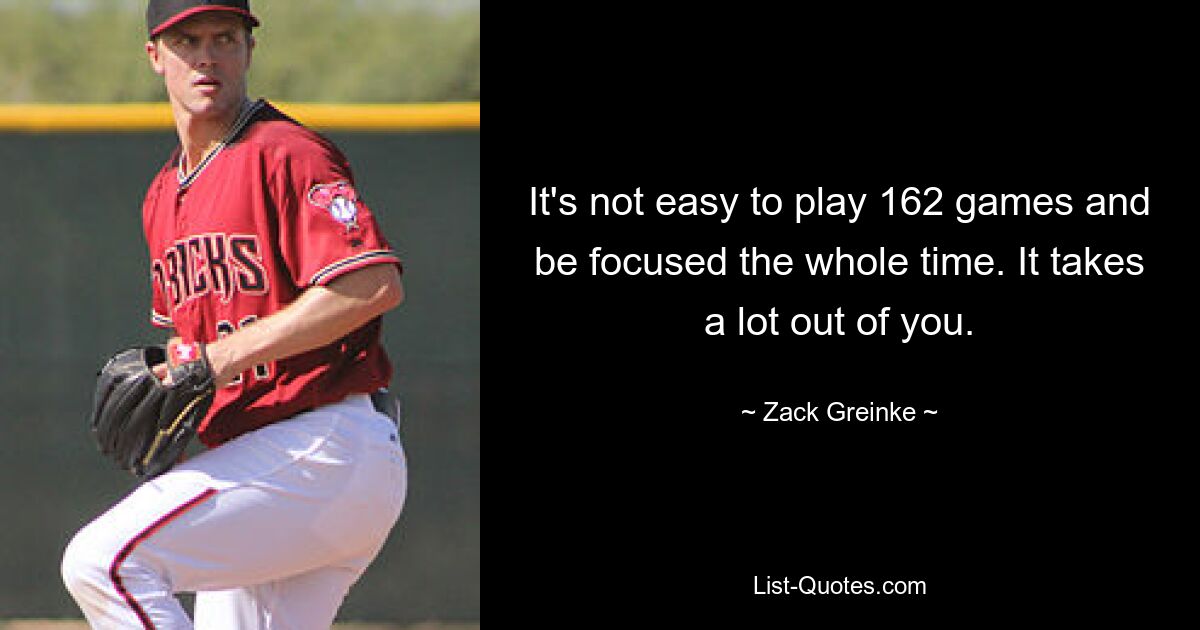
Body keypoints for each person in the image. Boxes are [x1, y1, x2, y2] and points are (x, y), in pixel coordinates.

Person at [61, 1, 408, 627]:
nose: (206, 56)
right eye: (187, 40)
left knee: (103, 562)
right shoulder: (162, 197)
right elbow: (195, 344)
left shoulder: (285, 152)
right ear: (155, 57)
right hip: (269, 466)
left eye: (225, 37)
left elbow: (372, 285)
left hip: (323, 442)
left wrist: (217, 360)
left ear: (249, 50)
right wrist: (176, 374)